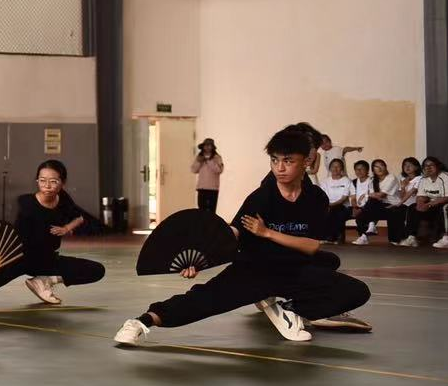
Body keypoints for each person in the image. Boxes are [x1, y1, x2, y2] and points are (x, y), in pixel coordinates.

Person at [114, 123, 370, 347]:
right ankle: (140, 322)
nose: (279, 168)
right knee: (202, 300)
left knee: (356, 291)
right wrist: (201, 257)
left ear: (306, 162)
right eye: (274, 160)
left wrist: (267, 232)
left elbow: (311, 246)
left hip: (294, 269)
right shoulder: (261, 197)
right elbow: (234, 232)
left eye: (288, 161)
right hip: (255, 268)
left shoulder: (316, 198)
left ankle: (290, 309)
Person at [3, 159, 104, 305]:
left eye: (53, 181)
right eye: (42, 181)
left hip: (49, 261)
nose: (47, 186)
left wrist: (67, 228)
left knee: (97, 270)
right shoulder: (26, 203)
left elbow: (79, 217)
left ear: (62, 183)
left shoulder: (62, 199)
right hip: (21, 260)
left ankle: (44, 281)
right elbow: (13, 238)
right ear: (37, 181)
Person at [406, 156, 448, 248]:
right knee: (413, 207)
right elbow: (421, 196)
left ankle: (447, 239)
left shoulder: (446, 177)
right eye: (426, 166)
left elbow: (447, 197)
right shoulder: (424, 179)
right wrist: (420, 204)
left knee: (445, 207)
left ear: (438, 166)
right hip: (434, 204)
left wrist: (428, 204)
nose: (428, 168)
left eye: (431, 165)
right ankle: (411, 237)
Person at [352, 158, 391, 245]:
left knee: (369, 207)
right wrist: (355, 207)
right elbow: (353, 198)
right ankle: (364, 235)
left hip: (373, 205)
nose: (359, 171)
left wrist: (362, 209)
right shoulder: (354, 182)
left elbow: (376, 196)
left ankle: (364, 236)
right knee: (357, 215)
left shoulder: (373, 181)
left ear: (367, 170)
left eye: (362, 169)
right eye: (357, 169)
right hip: (359, 206)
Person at [318, 157, 353, 242]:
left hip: (343, 207)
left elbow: (344, 198)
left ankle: (334, 236)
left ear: (342, 169)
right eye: (333, 166)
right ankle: (329, 235)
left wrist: (330, 205)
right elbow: (322, 196)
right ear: (330, 168)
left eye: (338, 166)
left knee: (336, 210)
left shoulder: (346, 181)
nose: (335, 168)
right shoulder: (325, 181)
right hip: (328, 205)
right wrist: (326, 205)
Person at [193, 140, 224, 214]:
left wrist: (209, 161)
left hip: (213, 189)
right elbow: (194, 170)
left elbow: (219, 170)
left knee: (211, 211)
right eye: (205, 145)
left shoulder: (217, 157)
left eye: (209, 145)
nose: (207, 147)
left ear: (212, 147)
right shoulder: (199, 157)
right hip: (201, 188)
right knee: (201, 211)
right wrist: (199, 162)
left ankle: (211, 222)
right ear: (203, 147)